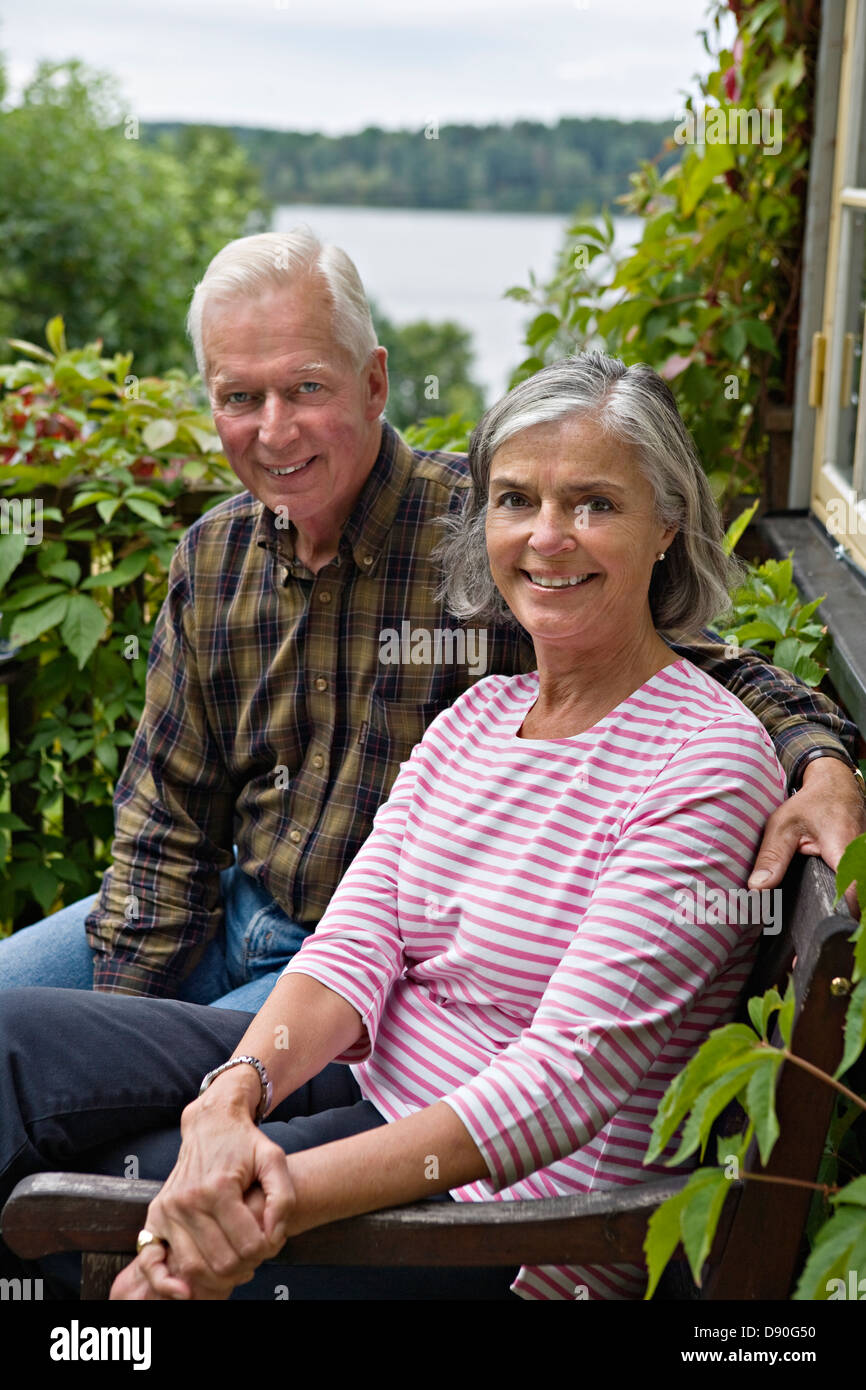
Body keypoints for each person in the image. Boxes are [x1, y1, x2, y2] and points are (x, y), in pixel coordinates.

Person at [0, 353, 825, 1301]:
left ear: (668, 526)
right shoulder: (478, 716)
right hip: (369, 1081)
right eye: (517, 500)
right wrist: (234, 1096)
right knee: (12, 1044)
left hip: (505, 1217)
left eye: (594, 503)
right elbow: (353, 947)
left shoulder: (702, 763)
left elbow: (562, 1086)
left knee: (106, 1200)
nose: (549, 538)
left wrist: (267, 1204)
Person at [0, 230, 862, 1013]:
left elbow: (704, 673)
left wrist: (824, 766)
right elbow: (165, 821)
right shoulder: (213, 556)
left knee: (72, 1082)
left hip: (366, 971)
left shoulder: (495, 535)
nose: (273, 430)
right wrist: (119, 1007)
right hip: (228, 910)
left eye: (306, 387)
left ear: (375, 381)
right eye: (239, 397)